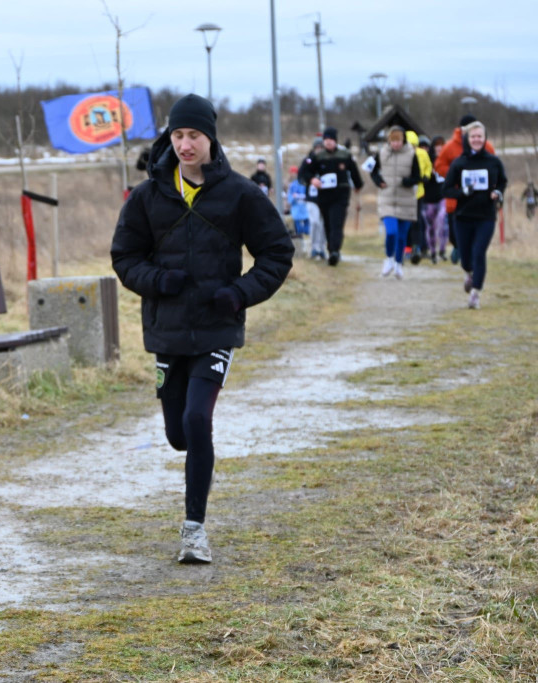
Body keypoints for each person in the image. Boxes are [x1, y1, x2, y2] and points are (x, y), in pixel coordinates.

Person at [111, 94, 293, 564]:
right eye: (178, 135)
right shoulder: (148, 197)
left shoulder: (240, 194)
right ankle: (200, 458)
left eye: (194, 134)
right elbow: (125, 257)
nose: (185, 144)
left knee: (197, 419)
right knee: (179, 434)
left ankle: (194, 531)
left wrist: (240, 292)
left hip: (216, 327)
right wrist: (158, 281)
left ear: (210, 137)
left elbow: (277, 253)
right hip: (167, 330)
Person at [442, 120, 506, 309]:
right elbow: (446, 190)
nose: (477, 139)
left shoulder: (493, 162)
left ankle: (475, 293)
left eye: (480, 136)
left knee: (479, 253)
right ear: (467, 139)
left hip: (486, 216)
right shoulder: (459, 163)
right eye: (473, 136)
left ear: (485, 138)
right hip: (463, 217)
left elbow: (503, 181)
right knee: (466, 258)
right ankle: (469, 273)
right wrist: (463, 192)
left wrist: (498, 192)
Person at [435, 115, 496, 265]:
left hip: (481, 201)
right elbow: (439, 165)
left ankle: (472, 258)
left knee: (477, 237)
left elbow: (494, 168)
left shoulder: (487, 146)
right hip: (456, 199)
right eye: (467, 130)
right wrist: (456, 175)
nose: (473, 135)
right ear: (461, 130)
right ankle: (458, 247)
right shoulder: (450, 146)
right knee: (455, 234)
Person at [298, 126, 364, 265]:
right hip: (324, 195)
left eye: (331, 139)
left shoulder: (344, 155)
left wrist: (358, 185)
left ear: (335, 140)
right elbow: (305, 172)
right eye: (326, 139)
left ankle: (335, 251)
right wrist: (312, 180)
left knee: (336, 222)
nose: (328, 142)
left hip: (341, 194)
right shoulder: (318, 156)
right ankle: (331, 249)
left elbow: (354, 171)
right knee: (328, 224)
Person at [368, 126, 421, 279]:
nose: (396, 144)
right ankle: (389, 258)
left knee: (402, 236)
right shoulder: (382, 153)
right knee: (391, 232)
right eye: (393, 141)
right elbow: (373, 171)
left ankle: (398, 263)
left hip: (406, 200)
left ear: (403, 140)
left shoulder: (412, 154)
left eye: (398, 141)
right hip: (387, 199)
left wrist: (408, 181)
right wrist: (378, 181)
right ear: (389, 141)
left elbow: (417, 176)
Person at [405, 130, 434, 265]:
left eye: (414, 145)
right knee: (405, 222)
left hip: (418, 193)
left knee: (416, 221)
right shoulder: (401, 156)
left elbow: (429, 166)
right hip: (404, 194)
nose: (411, 148)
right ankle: (406, 248)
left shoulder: (422, 154)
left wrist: (426, 176)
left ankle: (416, 247)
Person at [422, 136, 449, 262]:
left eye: (442, 145)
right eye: (437, 145)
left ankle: (442, 249)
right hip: (428, 199)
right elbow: (422, 177)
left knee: (442, 222)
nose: (439, 148)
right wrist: (429, 174)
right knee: (431, 227)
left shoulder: (448, 161)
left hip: (443, 197)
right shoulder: (427, 160)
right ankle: (432, 251)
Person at [286, 165, 310, 256]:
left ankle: (308, 245)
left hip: (305, 209)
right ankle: (301, 246)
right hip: (296, 210)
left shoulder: (304, 183)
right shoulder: (291, 185)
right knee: (298, 230)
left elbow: (308, 194)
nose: (294, 174)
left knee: (307, 229)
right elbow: (290, 197)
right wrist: (293, 198)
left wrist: (304, 197)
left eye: (295, 173)